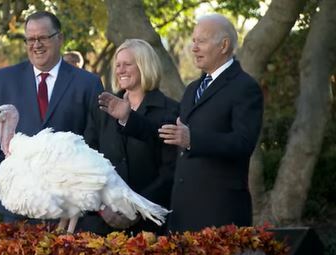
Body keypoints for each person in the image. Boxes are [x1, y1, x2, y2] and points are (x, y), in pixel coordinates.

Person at [0, 11, 104, 222]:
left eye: (43, 38)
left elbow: (96, 138)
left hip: (68, 205)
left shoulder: (88, 84)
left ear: (60, 38)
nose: (36, 44)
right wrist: (11, 176)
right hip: (18, 201)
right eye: (30, 39)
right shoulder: (4, 80)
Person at [158, 14, 263, 233]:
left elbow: (243, 143)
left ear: (224, 45)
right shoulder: (191, 89)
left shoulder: (245, 87)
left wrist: (192, 139)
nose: (194, 48)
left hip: (220, 213)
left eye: (201, 41)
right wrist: (128, 118)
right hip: (183, 213)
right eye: (193, 41)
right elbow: (172, 133)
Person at [76, 39, 179, 235]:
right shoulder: (102, 109)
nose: (121, 70)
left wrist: (136, 207)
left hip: (150, 225)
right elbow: (88, 161)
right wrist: (102, 207)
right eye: (117, 65)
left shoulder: (170, 111)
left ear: (144, 66)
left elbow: (170, 172)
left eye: (127, 64)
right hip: (103, 224)